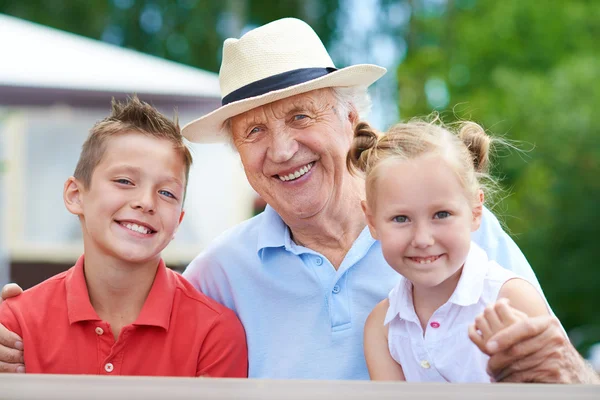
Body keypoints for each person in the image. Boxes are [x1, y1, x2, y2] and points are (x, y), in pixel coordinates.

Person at [0, 18, 597, 383]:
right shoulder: (218, 274)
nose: (282, 150)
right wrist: (17, 340)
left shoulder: (456, 231)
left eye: (301, 116)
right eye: (254, 132)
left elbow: (550, 366)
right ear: (239, 155)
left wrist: (573, 373)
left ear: (351, 117)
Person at [0, 96, 248, 377]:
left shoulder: (215, 334)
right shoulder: (16, 323)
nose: (146, 202)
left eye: (167, 192)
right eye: (124, 181)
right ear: (75, 195)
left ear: (178, 221)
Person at [351, 119, 550, 382]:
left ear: (476, 212)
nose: (422, 239)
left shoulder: (511, 302)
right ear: (372, 221)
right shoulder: (383, 327)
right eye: (401, 218)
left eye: (441, 214)